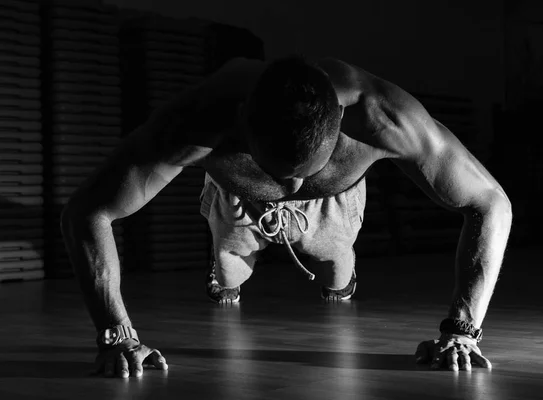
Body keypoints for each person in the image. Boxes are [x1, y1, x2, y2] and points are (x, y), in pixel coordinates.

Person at [61, 55, 512, 378]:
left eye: (303, 173)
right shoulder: (195, 122)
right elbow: (87, 212)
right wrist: (116, 335)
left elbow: (491, 203)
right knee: (229, 279)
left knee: (336, 278)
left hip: (334, 201)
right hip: (238, 195)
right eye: (278, 171)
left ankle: (336, 268)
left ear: (340, 117)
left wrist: (463, 330)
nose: (291, 189)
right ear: (241, 121)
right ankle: (230, 268)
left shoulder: (382, 117)